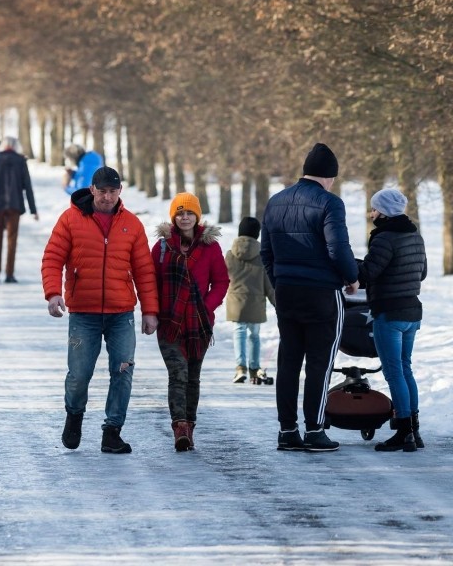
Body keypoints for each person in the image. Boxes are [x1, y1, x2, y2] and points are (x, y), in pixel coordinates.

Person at [42, 166, 159, 454]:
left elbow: (144, 270)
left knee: (123, 370)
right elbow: (53, 258)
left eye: (113, 191)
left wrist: (149, 310)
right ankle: (74, 416)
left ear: (120, 192)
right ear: (92, 189)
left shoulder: (131, 225)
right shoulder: (70, 220)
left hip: (121, 314)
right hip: (83, 314)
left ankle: (112, 431)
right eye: (102, 191)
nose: (107, 197)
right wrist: (54, 293)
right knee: (79, 373)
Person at [260, 143, 360, 452]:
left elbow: (266, 253)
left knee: (289, 361)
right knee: (320, 362)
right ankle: (315, 430)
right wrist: (351, 277)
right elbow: (338, 248)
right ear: (330, 176)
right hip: (322, 294)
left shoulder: (275, 202)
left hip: (287, 292)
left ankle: (287, 431)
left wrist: (280, 281)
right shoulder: (330, 203)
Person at [151, 193, 228, 451]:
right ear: (174, 217)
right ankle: (179, 427)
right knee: (178, 374)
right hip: (169, 321)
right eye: (180, 213)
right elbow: (150, 283)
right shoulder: (162, 248)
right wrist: (152, 311)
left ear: (197, 216)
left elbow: (221, 282)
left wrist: (205, 307)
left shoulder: (210, 247)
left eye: (189, 213)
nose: (185, 217)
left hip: (199, 324)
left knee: (193, 377)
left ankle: (190, 426)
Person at [358, 188, 427, 452]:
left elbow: (369, 272)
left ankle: (403, 432)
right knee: (405, 368)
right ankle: (415, 430)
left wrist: (348, 266)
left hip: (389, 312)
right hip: (412, 311)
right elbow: (422, 273)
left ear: (384, 212)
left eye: (374, 209)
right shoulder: (415, 236)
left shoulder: (384, 238)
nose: (371, 213)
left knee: (394, 371)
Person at [225, 217, 276, 384]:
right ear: (257, 233)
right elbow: (268, 284)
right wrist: (278, 304)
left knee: (239, 332)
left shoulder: (230, 254)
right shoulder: (262, 256)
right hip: (256, 303)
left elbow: (222, 278)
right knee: (254, 335)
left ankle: (240, 368)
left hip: (235, 301)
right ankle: (254, 368)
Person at [0, 136, 38, 282]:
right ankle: (9, 274)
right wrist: (33, 210)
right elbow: (28, 187)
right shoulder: (21, 161)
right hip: (15, 205)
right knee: (12, 240)